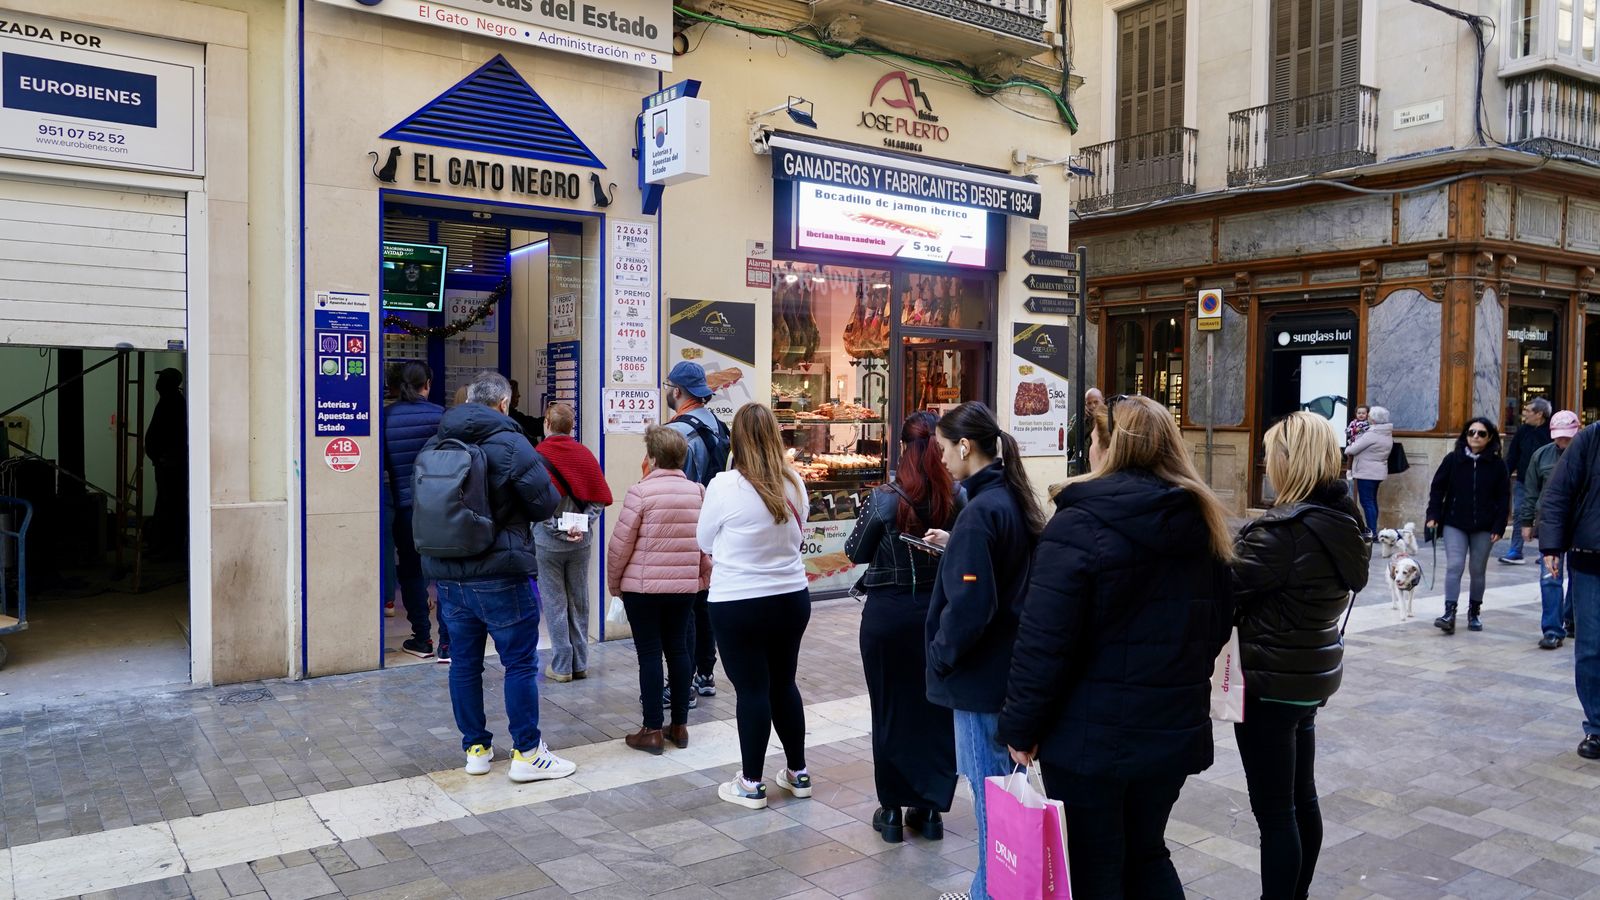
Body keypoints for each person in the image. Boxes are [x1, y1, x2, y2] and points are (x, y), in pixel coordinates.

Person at [997, 395, 1234, 899]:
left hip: (1089, 741)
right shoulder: (1203, 522)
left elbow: (1043, 644)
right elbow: (1216, 628)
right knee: (1147, 851)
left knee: (1095, 865)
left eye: (1092, 438)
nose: (1088, 447)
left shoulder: (1078, 524)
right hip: (1169, 730)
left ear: (1108, 448)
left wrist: (1020, 729)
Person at [1229, 412, 1368, 900]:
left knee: (1275, 813)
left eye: (1272, 455)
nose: (1266, 465)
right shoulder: (1342, 521)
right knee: (1300, 798)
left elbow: (1224, 588)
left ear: (1293, 462)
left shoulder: (1282, 534)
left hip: (1270, 684)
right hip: (1306, 679)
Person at [418, 371, 574, 782]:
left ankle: (476, 749)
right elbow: (545, 503)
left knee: (464, 666)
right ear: (504, 404)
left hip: (450, 576)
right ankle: (527, 753)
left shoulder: (439, 441)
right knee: (520, 664)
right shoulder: (512, 443)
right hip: (501, 574)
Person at [923, 401, 1045, 900]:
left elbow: (972, 604)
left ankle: (992, 893)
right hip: (1006, 670)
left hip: (979, 680)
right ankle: (987, 888)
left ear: (966, 447)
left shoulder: (982, 509)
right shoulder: (1009, 500)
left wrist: (940, 654)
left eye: (944, 449)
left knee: (990, 797)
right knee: (1000, 795)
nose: (942, 460)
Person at [844, 412, 964, 844]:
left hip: (888, 615)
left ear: (901, 446)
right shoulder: (958, 496)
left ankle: (891, 810)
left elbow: (854, 550)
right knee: (936, 710)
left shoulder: (883, 498)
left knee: (889, 708)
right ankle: (929, 809)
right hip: (938, 613)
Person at [696, 403, 812, 810]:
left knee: (752, 691)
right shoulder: (794, 482)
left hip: (739, 603)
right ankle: (798, 773)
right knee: (784, 683)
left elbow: (704, 541)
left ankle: (751, 783)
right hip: (791, 599)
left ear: (736, 440)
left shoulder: (724, 486)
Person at [607, 425, 708, 754]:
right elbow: (705, 545)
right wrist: (703, 578)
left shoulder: (641, 493)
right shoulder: (698, 492)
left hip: (644, 589)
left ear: (650, 457)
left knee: (649, 654)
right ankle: (679, 727)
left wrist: (614, 582)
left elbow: (620, 546)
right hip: (683, 589)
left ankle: (651, 728)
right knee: (678, 650)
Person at [665, 360, 732, 700]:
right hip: (713, 526)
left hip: (685, 525)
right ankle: (706, 673)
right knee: (704, 602)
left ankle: (685, 678)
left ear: (677, 391)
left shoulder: (676, 432)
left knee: (685, 607)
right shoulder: (718, 425)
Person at [534, 402, 613, 682]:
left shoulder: (537, 456)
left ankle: (562, 665)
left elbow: (535, 503)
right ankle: (581, 662)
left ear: (547, 423)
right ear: (571, 427)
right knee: (579, 600)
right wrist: (582, 525)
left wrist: (556, 529)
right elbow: (600, 497)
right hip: (581, 544)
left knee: (555, 603)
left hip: (547, 544)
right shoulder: (585, 455)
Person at [1538, 418, 1600, 760]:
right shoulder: (1591, 438)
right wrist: (1551, 547)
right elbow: (1559, 492)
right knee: (1591, 647)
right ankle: (1597, 727)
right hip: (1592, 557)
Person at [384, 361, 448, 659]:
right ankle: (448, 642)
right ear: (428, 383)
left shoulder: (386, 418)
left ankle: (422, 639)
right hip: (440, 507)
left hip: (405, 508)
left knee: (411, 571)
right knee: (446, 571)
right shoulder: (441, 416)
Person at [1427, 417, 1511, 635]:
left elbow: (1503, 497)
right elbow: (1437, 489)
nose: (1475, 436)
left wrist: (1499, 525)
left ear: (1490, 437)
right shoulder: (1453, 460)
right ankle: (1449, 613)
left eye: (1481, 433)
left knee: (1477, 569)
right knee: (1454, 565)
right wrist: (1433, 515)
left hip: (1484, 525)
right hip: (1455, 522)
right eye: (1471, 432)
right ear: (1465, 435)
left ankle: (1474, 612)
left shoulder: (1497, 465)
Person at [1524, 410, 1581, 649]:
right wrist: (1526, 522)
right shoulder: (1541, 456)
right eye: (1559, 437)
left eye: (1568, 437)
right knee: (1550, 577)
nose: (1563, 442)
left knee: (1579, 577)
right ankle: (1552, 629)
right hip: (1550, 524)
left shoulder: (1588, 454)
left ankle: (1571, 619)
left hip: (1581, 525)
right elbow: (1530, 491)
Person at [1503, 398, 1553, 565]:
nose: (1524, 414)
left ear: (1539, 414)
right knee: (1519, 514)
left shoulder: (1551, 433)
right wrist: (1504, 475)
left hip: (1546, 483)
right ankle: (1516, 550)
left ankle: (1544, 551)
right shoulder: (1522, 431)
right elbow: (1513, 456)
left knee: (1544, 515)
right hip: (1523, 481)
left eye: (1528, 411)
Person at [145, 367, 188, 559]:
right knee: (166, 503)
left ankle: (168, 549)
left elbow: (176, 435)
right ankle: (164, 547)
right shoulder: (169, 401)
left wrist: (166, 457)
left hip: (170, 465)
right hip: (166, 463)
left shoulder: (174, 403)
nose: (157, 383)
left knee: (170, 505)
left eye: (161, 379)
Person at [1344, 405, 1394, 537]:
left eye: (1370, 415)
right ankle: (1373, 530)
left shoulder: (1372, 434)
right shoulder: (1386, 432)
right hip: (1377, 472)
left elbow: (1351, 450)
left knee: (1367, 502)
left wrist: (1350, 445)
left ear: (1375, 419)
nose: (1368, 416)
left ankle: (1372, 531)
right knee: (1372, 501)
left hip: (1366, 472)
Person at [508, 379, 545, 445]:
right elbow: (533, 426)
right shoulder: (512, 417)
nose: (519, 395)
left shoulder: (510, 415)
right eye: (516, 393)